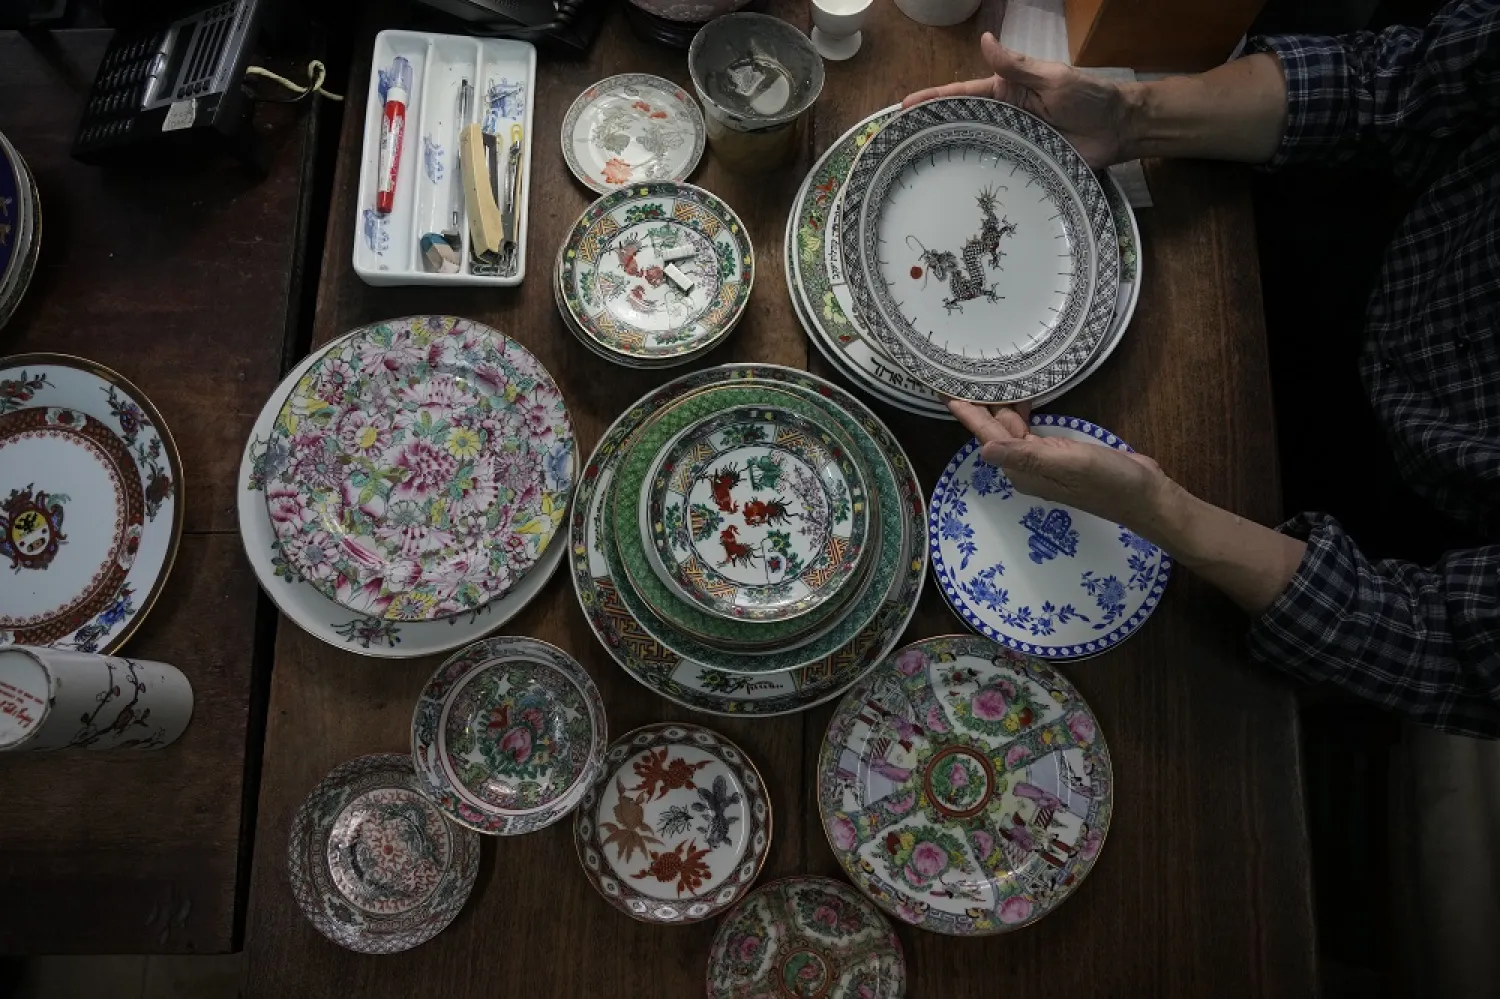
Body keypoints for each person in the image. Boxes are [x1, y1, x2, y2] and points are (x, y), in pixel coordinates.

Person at [905, 1, 1500, 739]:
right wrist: (1130, 115)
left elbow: (1450, 647)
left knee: (1208, 696)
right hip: (1366, 253)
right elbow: (1392, 82)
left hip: (1408, 522)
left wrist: (1165, 512)